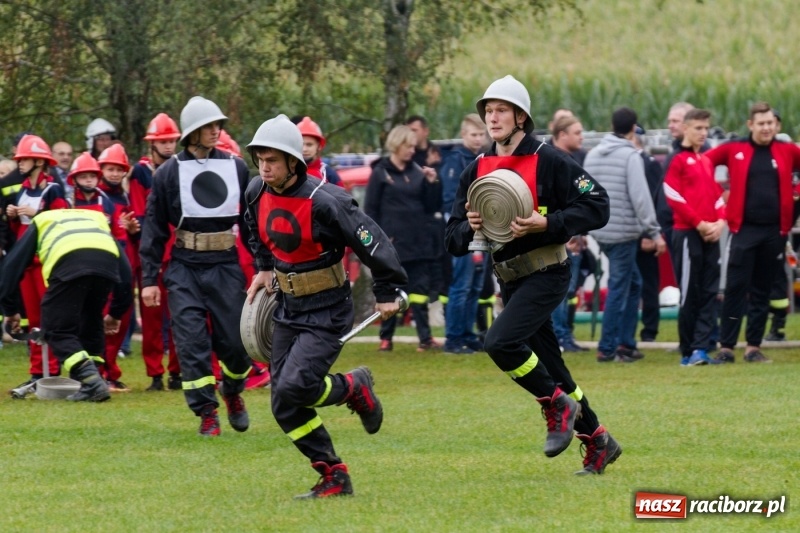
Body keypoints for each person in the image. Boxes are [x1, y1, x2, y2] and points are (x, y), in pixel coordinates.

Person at [445, 74, 620, 475]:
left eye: (501, 110)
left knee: (499, 342)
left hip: (548, 271)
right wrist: (469, 226)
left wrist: (549, 224)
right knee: (555, 371)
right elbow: (452, 238)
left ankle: (554, 405)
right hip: (509, 277)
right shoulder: (475, 168)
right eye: (488, 111)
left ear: (521, 116)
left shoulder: (551, 159)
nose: (492, 117)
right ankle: (598, 442)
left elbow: (598, 205)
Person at [243, 114, 407, 498]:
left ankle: (354, 386)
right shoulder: (255, 192)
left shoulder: (327, 201)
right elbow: (253, 228)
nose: (264, 168)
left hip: (327, 310)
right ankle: (333, 474)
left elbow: (375, 243)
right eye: (260, 159)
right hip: (286, 306)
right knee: (283, 403)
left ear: (292, 162)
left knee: (295, 385)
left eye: (272, 160)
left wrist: (387, 290)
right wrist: (264, 268)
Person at [140, 96, 253, 436]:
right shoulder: (167, 173)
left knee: (235, 343)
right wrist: (148, 280)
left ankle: (232, 391)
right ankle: (207, 411)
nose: (216, 130)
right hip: (184, 267)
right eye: (209, 126)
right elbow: (154, 228)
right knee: (190, 343)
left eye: (219, 125)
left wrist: (268, 266)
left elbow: (251, 224)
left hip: (225, 265)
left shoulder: (237, 167)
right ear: (192, 132)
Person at [0, 209, 132, 402]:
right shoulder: (96, 219)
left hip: (68, 264)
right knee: (91, 320)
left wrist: (10, 311)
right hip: (106, 265)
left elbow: (12, 267)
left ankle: (92, 382)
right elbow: (126, 274)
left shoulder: (42, 220)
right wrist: (116, 313)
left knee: (56, 330)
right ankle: (93, 379)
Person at [705, 102, 800, 363]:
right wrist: (720, 195)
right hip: (743, 230)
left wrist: (796, 196)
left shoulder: (787, 151)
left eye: (770, 123)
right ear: (751, 125)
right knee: (735, 288)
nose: (767, 127)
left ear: (776, 125)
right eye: (761, 123)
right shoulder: (736, 149)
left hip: (774, 232)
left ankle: (753, 347)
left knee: (762, 290)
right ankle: (726, 347)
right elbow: (702, 164)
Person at [584, 107, 666, 363]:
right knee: (621, 288)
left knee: (633, 284)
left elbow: (584, 188)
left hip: (601, 231)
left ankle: (626, 343)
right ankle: (609, 348)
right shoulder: (631, 156)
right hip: (624, 233)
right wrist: (654, 231)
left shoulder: (593, 155)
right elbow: (640, 198)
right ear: (633, 129)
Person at [364, 125, 442, 352]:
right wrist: (377, 240)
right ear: (396, 145)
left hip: (419, 242)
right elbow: (370, 210)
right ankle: (386, 338)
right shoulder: (381, 172)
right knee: (390, 291)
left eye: (413, 146)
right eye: (408, 146)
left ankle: (425, 339)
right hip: (392, 245)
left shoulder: (418, 171)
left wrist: (431, 183)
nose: (411, 151)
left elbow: (431, 206)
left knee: (419, 292)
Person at [4, 134, 69, 388]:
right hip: (25, 263)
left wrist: (38, 214)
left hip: (45, 261)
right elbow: (17, 229)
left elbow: (62, 218)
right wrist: (11, 215)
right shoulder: (22, 190)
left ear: (39, 162)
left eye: (24, 158)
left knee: (49, 315)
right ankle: (36, 371)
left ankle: (51, 369)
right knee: (32, 318)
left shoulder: (52, 189)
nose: (19, 163)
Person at [663, 109, 727, 366]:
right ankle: (688, 351)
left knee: (710, 291)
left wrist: (720, 222)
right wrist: (699, 223)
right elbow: (672, 194)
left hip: (711, 234)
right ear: (687, 128)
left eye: (706, 129)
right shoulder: (676, 159)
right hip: (688, 234)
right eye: (699, 128)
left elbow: (716, 194)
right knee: (691, 293)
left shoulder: (705, 160)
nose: (703, 133)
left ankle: (701, 348)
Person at [129, 113, 183, 391]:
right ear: (152, 144)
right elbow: (141, 215)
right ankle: (154, 374)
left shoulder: (180, 168)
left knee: (179, 316)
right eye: (163, 141)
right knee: (151, 317)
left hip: (178, 254)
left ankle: (176, 372)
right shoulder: (140, 172)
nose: (169, 145)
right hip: (151, 254)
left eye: (172, 140)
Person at [439, 113, 488, 354]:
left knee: (476, 285)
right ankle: (453, 338)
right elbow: (449, 200)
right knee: (461, 284)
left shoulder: (485, 159)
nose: (478, 139)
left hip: (485, 229)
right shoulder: (455, 162)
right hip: (465, 229)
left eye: (481, 134)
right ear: (463, 135)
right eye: (474, 134)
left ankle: (468, 334)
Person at [633, 125, 672, 342]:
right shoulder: (625, 160)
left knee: (648, 284)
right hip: (627, 234)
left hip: (645, 234)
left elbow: (656, 201)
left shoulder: (650, 164)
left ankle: (650, 331)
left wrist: (651, 234)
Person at [296, 116, 342, 186]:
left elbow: (342, 196)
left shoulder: (329, 175)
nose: (304, 149)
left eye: (309, 145)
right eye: (301, 145)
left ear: (319, 146)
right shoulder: (288, 173)